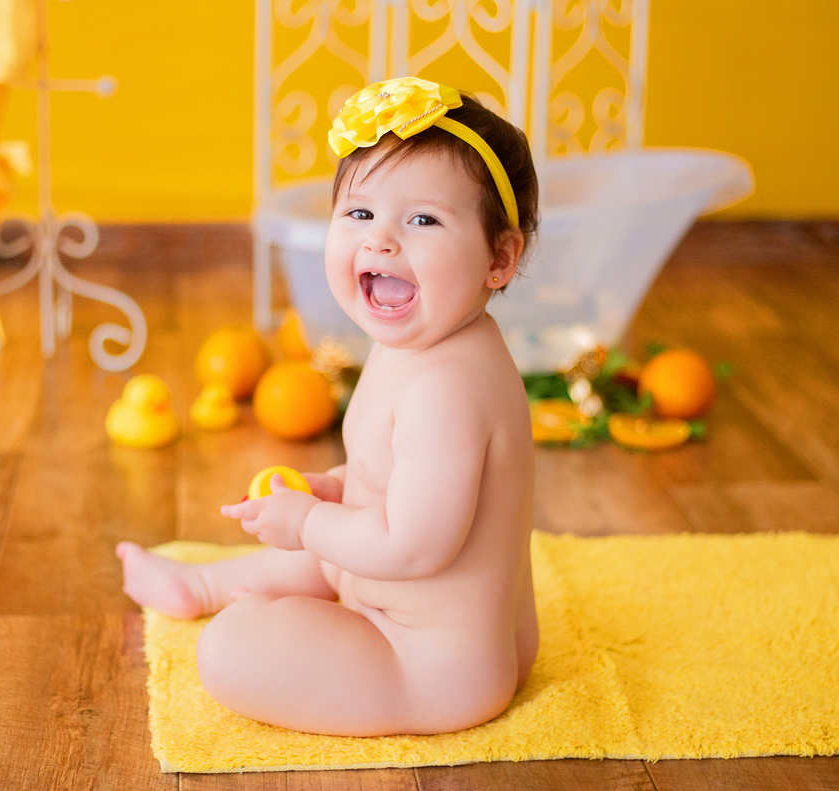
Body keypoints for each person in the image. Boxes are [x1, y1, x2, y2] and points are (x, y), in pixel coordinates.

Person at [117, 77, 540, 737]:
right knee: (328, 540)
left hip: (427, 667)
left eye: (422, 220)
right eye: (360, 214)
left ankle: (235, 608)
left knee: (231, 646)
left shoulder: (447, 389)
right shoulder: (428, 342)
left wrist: (311, 521)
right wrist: (337, 490)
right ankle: (202, 587)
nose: (381, 241)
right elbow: (399, 484)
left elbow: (413, 546)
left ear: (500, 257)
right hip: (444, 634)